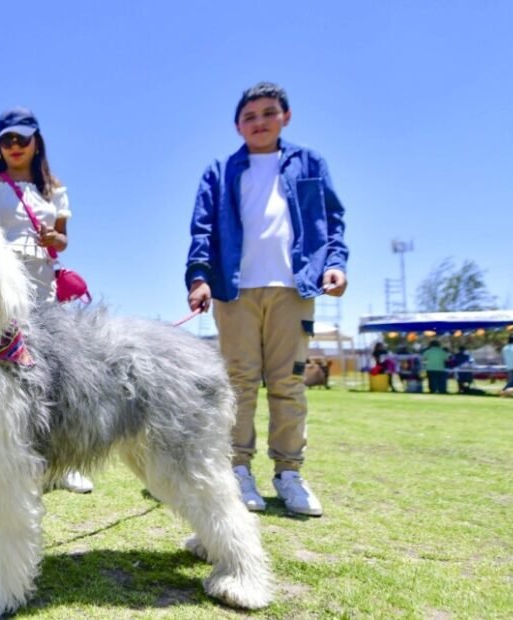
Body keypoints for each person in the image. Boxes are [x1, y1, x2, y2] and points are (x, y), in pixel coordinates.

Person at [185, 82, 347, 517]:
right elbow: (202, 230)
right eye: (250, 116)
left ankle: (289, 473)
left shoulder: (310, 163)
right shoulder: (219, 172)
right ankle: (237, 470)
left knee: (288, 383)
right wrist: (199, 278)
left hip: (294, 288)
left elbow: (332, 222)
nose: (259, 122)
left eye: (268, 113)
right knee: (237, 383)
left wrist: (336, 263)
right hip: (235, 291)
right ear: (237, 125)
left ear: (286, 117)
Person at [0, 107, 92, 495]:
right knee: (2, 370)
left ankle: (61, 462)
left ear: (37, 140)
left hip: (44, 289)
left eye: (22, 138)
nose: (15, 146)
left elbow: (63, 239)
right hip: (0, 291)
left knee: (55, 371)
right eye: (7, 139)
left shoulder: (54, 189)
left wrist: (54, 240)